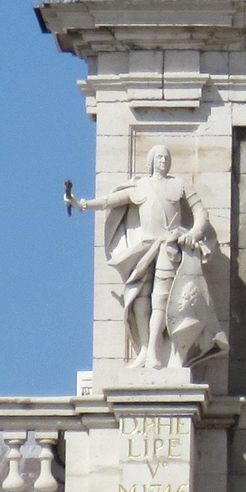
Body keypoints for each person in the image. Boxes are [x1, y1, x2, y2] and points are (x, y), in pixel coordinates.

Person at [67, 145, 227, 371]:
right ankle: (143, 349)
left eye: (166, 157)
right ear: (151, 161)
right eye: (159, 157)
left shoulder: (179, 185)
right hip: (143, 249)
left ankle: (153, 350)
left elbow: (201, 213)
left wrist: (193, 233)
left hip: (169, 246)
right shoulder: (139, 187)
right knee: (139, 299)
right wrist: (81, 204)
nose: (164, 161)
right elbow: (108, 201)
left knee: (160, 299)